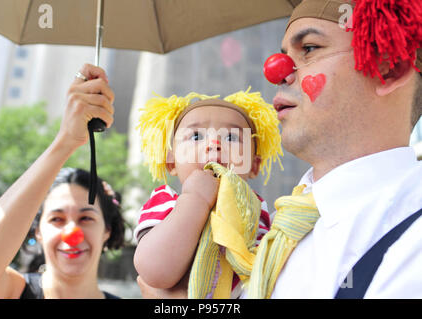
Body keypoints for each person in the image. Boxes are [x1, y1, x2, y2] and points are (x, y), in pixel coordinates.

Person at [138, 0, 422, 299]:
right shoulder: (275, 229)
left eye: (310, 48)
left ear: (388, 69)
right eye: (284, 54)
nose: (276, 72)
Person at [0, 64, 123, 299]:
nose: (72, 233)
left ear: (107, 230)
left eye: (86, 218)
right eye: (56, 219)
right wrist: (66, 140)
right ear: (38, 231)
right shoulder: (10, 291)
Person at [133, 89, 283, 298]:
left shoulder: (258, 211)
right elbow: (154, 273)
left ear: (254, 165)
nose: (214, 145)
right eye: (196, 136)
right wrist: (195, 200)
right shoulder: (166, 203)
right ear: (171, 161)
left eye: (231, 137)